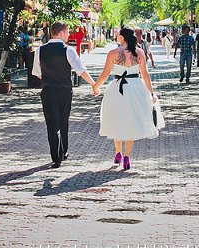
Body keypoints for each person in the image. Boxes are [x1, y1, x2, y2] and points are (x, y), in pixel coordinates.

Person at [93, 27, 159, 171]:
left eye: (118, 35)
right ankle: (127, 157)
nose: (116, 37)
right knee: (132, 120)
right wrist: (151, 93)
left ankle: (118, 153)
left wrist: (96, 87)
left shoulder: (113, 53)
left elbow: (105, 74)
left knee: (118, 119)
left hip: (117, 88)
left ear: (122, 37)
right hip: (136, 88)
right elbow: (146, 75)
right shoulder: (140, 52)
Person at [32, 21, 96, 168]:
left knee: (51, 123)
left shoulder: (40, 50)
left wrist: (50, 78)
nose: (68, 35)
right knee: (63, 120)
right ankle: (64, 150)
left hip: (48, 91)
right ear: (60, 33)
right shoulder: (68, 50)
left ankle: (56, 156)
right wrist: (94, 84)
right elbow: (81, 70)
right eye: (67, 32)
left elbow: (37, 73)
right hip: (65, 91)